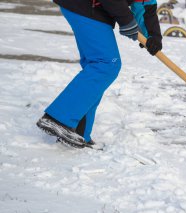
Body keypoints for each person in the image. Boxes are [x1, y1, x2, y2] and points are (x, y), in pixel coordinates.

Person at [36, 0, 162, 148]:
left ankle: (79, 130)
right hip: (85, 5)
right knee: (106, 64)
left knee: (97, 65)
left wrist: (153, 36)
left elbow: (146, 5)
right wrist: (126, 20)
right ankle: (59, 119)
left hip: (94, 8)